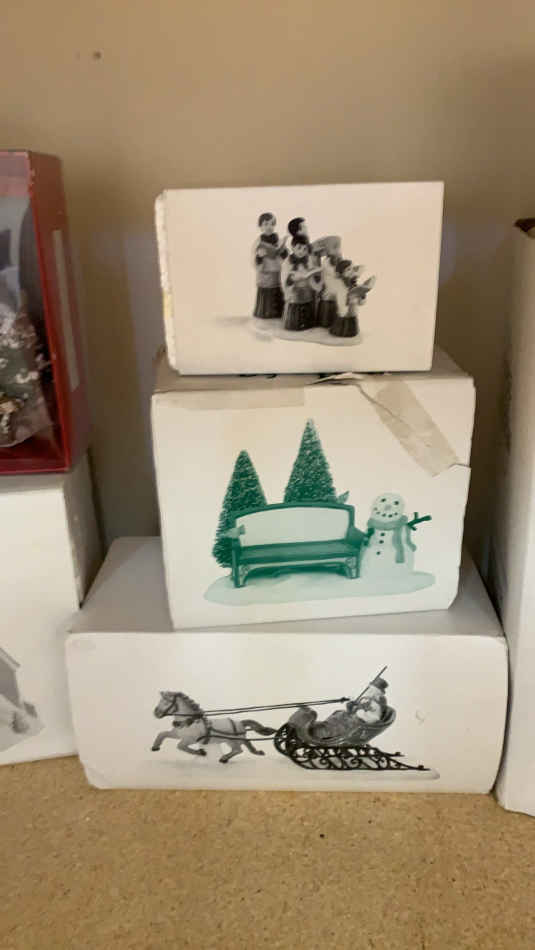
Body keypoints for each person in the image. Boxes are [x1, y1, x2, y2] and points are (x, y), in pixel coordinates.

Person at [283, 236, 321, 331]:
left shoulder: (308, 260)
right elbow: (284, 277)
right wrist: (293, 278)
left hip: (306, 289)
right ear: (293, 247)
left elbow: (311, 273)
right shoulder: (288, 261)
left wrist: (313, 273)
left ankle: (308, 324)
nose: (301, 251)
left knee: (307, 305)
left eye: (304, 249)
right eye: (299, 248)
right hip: (294, 291)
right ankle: (294, 324)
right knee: (295, 309)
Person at [252, 213, 285, 319]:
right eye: (266, 224)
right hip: (265, 272)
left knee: (277, 291)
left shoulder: (277, 239)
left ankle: (278, 313)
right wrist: (259, 256)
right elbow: (254, 258)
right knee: (266, 293)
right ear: (260, 226)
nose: (269, 227)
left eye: (271, 224)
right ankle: (264, 313)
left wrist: (283, 251)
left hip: (277, 271)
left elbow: (284, 255)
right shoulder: (258, 241)